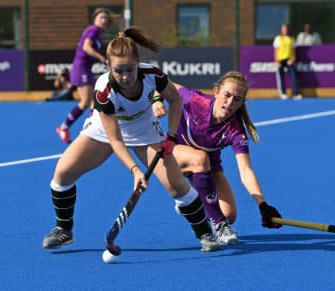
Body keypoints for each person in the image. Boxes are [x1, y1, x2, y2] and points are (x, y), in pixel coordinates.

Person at [42, 26, 220, 253]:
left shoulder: (152, 75)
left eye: (130, 69)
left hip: (144, 130)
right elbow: (115, 140)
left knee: (176, 185)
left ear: (138, 63)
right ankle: (64, 229)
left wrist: (172, 136)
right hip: (104, 130)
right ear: (108, 67)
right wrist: (135, 170)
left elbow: (175, 101)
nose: (125, 77)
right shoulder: (103, 90)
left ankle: (204, 232)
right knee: (63, 173)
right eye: (118, 71)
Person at [163, 72, 283, 245]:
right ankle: (219, 225)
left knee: (229, 214)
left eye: (237, 99)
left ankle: (191, 204)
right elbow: (161, 83)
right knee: (200, 158)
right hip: (173, 154)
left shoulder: (236, 131)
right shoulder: (194, 100)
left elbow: (246, 171)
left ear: (242, 102)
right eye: (227, 95)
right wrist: (157, 100)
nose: (230, 103)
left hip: (208, 166)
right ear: (216, 91)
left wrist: (262, 204)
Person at [55, 8, 110, 144]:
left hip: (86, 69)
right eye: (101, 17)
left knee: (93, 101)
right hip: (81, 68)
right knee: (86, 102)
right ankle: (64, 127)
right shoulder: (93, 30)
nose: (104, 20)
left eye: (106, 18)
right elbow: (86, 47)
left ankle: (93, 129)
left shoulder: (97, 34)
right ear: (95, 19)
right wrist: (102, 59)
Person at [273, 24, 302, 100]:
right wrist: (276, 61)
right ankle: (283, 93)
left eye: (286, 29)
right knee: (281, 77)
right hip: (280, 60)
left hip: (289, 60)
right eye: (283, 29)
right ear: (281, 30)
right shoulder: (278, 38)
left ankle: (295, 94)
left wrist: (293, 59)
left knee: (294, 76)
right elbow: (276, 50)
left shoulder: (292, 38)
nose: (285, 30)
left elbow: (293, 50)